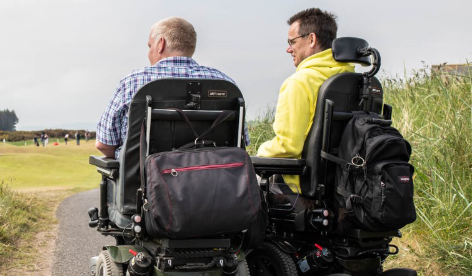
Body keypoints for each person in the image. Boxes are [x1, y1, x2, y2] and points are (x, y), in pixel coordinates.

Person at [95, 17, 236, 159]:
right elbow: (239, 143)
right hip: (214, 179)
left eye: (150, 46)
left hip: (144, 180)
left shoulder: (132, 82)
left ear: (160, 44)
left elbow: (104, 145)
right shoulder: (225, 83)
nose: (149, 52)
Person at [257, 8, 354, 196]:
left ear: (311, 39)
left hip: (301, 192)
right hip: (346, 190)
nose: (288, 48)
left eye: (292, 42)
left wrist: (257, 152)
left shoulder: (299, 83)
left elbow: (287, 147)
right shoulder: (353, 79)